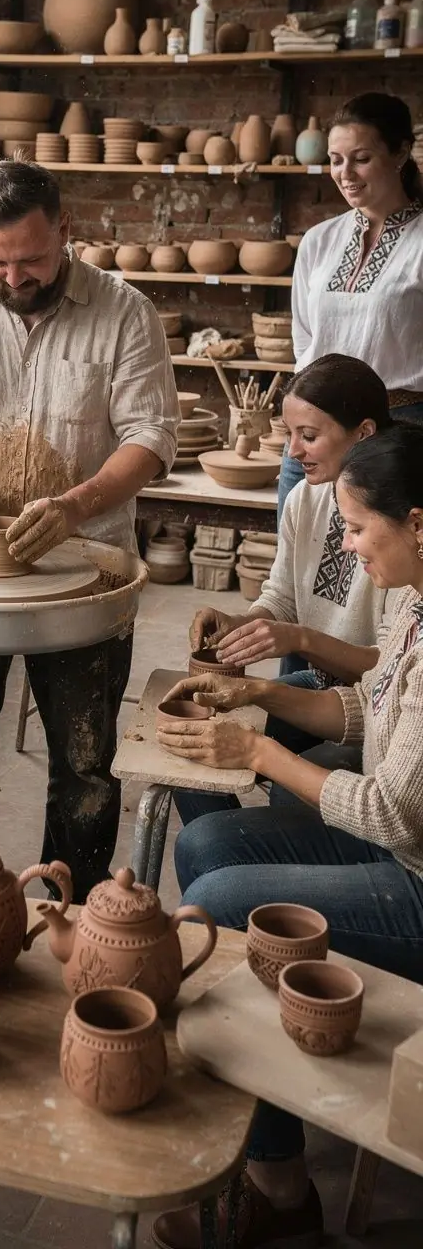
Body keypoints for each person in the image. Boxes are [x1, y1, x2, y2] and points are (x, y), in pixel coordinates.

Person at [152, 421, 423, 1249]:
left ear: (419, 523)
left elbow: (388, 810)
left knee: (222, 906)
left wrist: (260, 752)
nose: (348, 542)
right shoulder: (412, 592)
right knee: (205, 848)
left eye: (359, 526)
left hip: (416, 876)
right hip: (401, 847)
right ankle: (274, 1093)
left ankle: (277, 1183)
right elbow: (364, 708)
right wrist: (259, 700)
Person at [0, 159, 179, 900]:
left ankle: (76, 915)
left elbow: (151, 436)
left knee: (85, 763)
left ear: (67, 232)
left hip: (89, 565)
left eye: (32, 259)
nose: (14, 276)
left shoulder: (124, 313)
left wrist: (76, 504)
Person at [177, 354, 393, 824]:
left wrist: (300, 639)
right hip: (322, 684)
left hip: (382, 708)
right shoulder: (306, 497)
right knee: (192, 743)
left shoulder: (399, 525)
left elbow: (393, 669)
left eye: (309, 436)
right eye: (290, 433)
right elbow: (282, 596)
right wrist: (242, 625)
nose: (292, 450)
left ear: (364, 433)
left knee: (297, 790)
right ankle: (233, 844)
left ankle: (264, 864)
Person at [279, 92, 423, 520]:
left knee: (385, 576)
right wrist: (306, 426)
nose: (345, 173)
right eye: (336, 159)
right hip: (314, 434)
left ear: (400, 151)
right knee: (297, 557)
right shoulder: (319, 241)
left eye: (360, 158)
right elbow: (304, 337)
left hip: (401, 430)